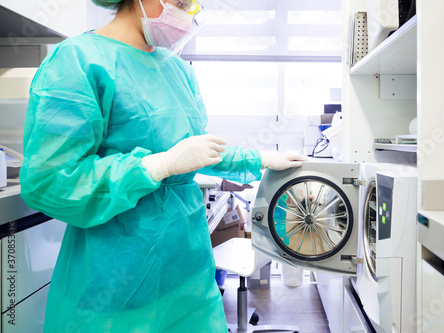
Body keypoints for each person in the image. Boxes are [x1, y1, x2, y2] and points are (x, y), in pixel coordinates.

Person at [20, 0, 307, 332]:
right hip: (113, 291)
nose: (187, 14)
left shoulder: (178, 71)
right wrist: (154, 167)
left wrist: (259, 159)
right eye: (179, 3)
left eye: (191, 4)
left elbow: (197, 148)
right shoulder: (78, 62)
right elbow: (50, 180)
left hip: (189, 280)